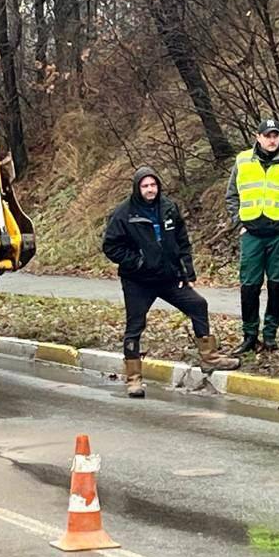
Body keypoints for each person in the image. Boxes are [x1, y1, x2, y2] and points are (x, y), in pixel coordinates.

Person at [102, 166, 238, 397]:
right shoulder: (125, 213)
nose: (150, 190)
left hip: (168, 277)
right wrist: (137, 262)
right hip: (138, 281)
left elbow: (182, 241)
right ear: (137, 188)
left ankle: (209, 357)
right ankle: (134, 378)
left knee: (198, 305)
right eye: (145, 186)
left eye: (153, 185)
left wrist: (187, 273)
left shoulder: (168, 208)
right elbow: (111, 246)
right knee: (135, 326)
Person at [225, 118, 279, 355]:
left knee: (277, 285)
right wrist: (239, 222)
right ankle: (249, 335)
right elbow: (232, 195)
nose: (272, 140)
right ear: (258, 136)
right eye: (268, 135)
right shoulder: (243, 161)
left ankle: (270, 335)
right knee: (249, 286)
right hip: (251, 233)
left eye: (276, 135)